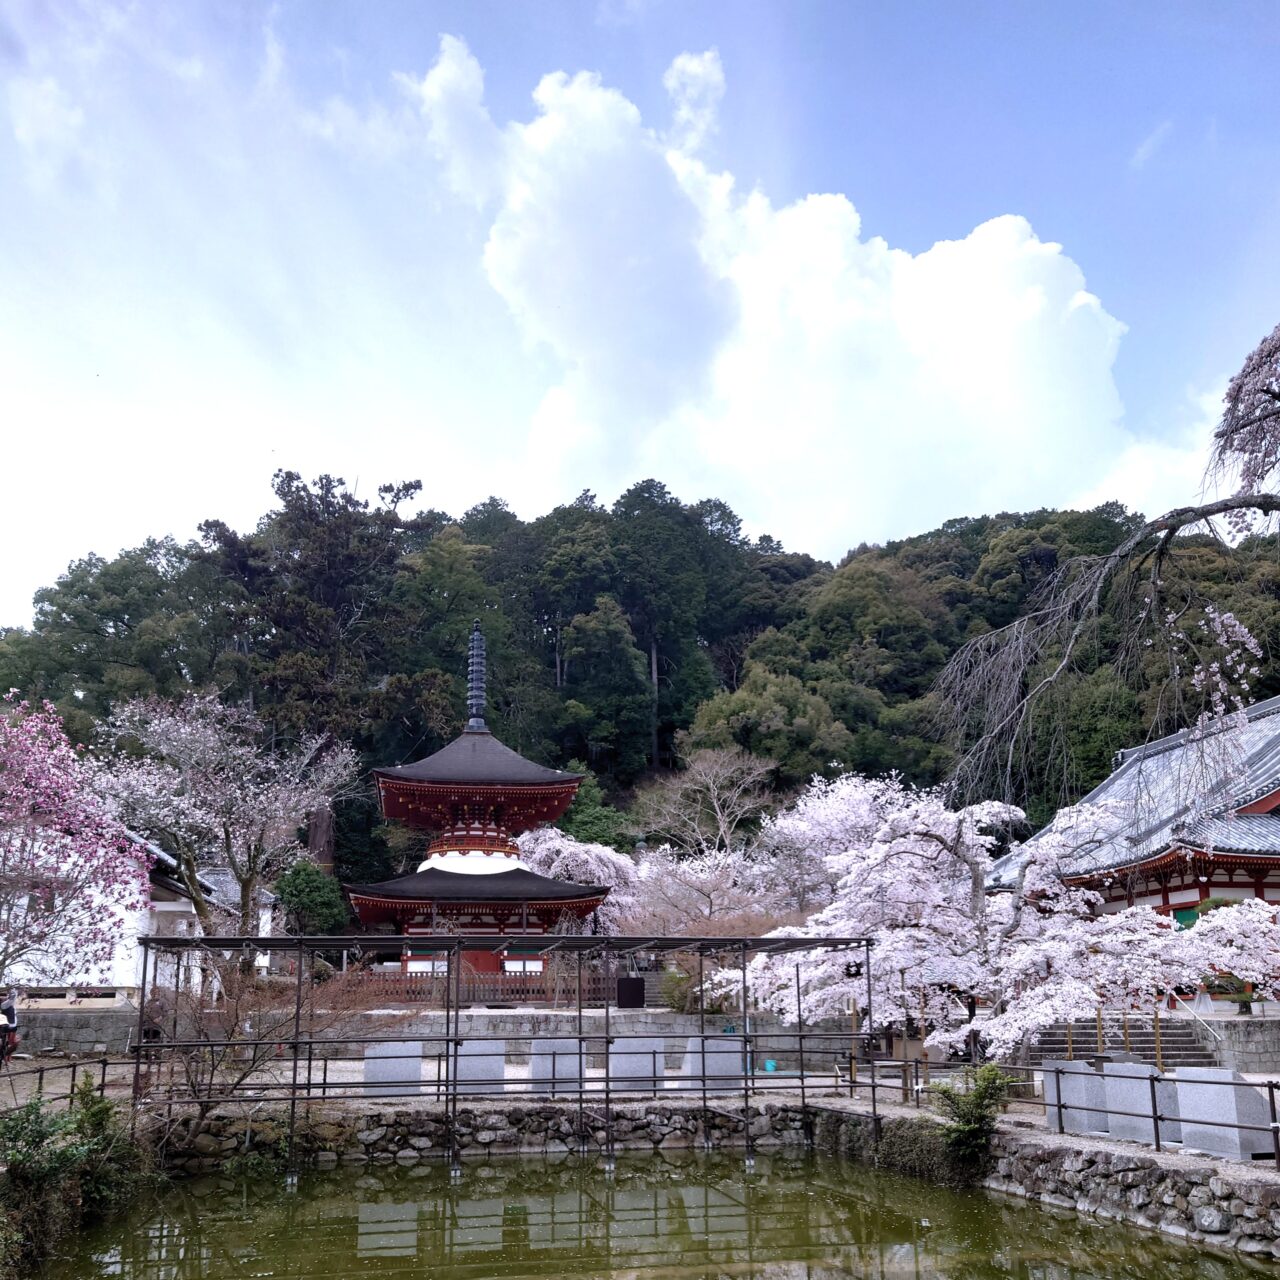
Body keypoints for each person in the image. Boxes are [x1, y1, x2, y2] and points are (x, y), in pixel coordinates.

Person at [0, 988, 19, 1067]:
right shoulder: (4, 1005)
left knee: (11, 1043)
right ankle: (5, 1060)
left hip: (12, 1026)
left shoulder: (8, 1005)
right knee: (8, 1044)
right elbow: (12, 998)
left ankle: (8, 1059)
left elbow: (12, 999)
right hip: (8, 1026)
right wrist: (13, 990)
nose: (5, 997)